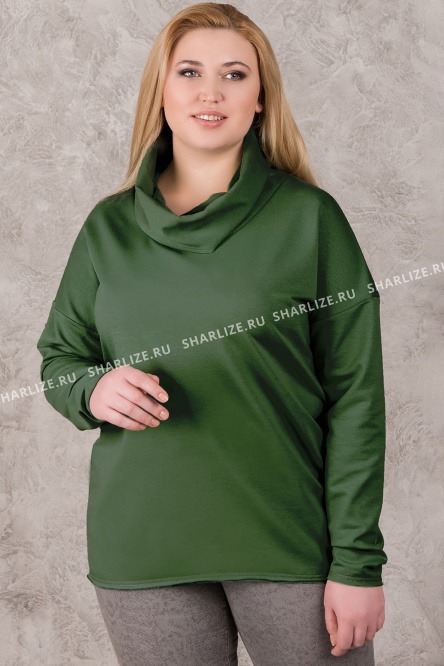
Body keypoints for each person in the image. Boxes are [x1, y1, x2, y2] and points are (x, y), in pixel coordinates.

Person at [36, 3, 388, 664]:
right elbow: (61, 359)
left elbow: (357, 399)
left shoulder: (310, 220)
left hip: (290, 543)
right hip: (142, 547)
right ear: (161, 90)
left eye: (234, 74)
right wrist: (92, 390)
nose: (210, 92)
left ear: (260, 99)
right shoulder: (107, 229)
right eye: (190, 71)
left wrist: (358, 563)